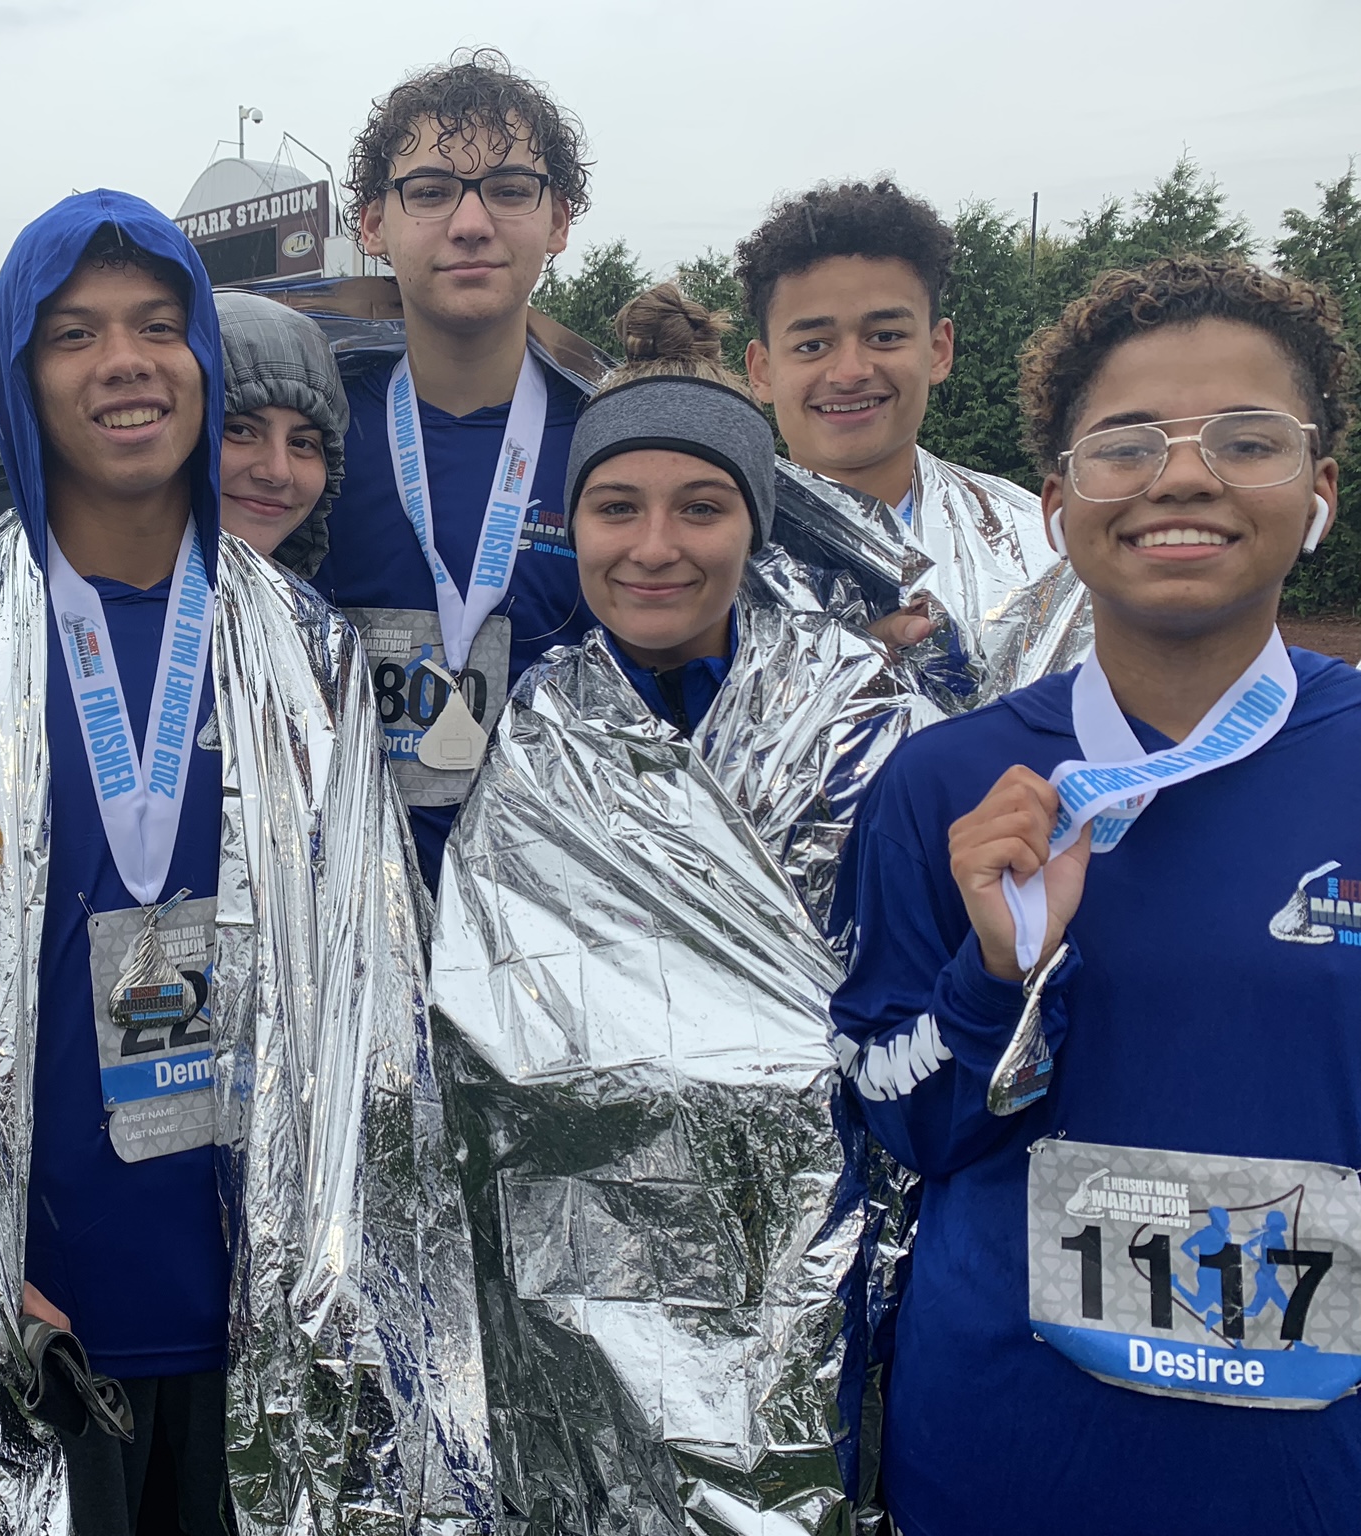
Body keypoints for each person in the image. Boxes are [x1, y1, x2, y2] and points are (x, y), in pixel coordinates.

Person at [0, 190, 487, 1536]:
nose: (125, 360)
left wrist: (340, 1264)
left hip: (262, 1297)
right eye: (74, 333)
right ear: (19, 374)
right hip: (39, 1312)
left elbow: (366, 999)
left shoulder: (304, 648)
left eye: (160, 327)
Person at [830, 255, 1355, 1533]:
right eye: (1126, 445)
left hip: (1305, 1477)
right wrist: (993, 977)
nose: (1182, 476)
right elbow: (899, 1124)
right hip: (1008, 1457)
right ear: (1061, 505)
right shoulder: (946, 783)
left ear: (1318, 491)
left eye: (1245, 439)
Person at [429, 289, 932, 1533]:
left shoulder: (866, 722)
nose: (654, 546)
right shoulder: (535, 724)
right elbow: (482, 1018)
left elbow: (906, 1013)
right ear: (574, 527)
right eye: (616, 508)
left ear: (752, 527)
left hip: (796, 1259)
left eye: (699, 508)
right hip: (572, 1260)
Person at [312, 49, 596, 887]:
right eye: (431, 191)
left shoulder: (617, 446)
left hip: (556, 930)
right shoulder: (295, 442)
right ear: (372, 224)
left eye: (509, 189)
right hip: (341, 922)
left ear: (558, 221)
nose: (470, 223)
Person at [737, 179, 1088, 706]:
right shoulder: (706, 560)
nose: (851, 371)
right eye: (812, 344)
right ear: (761, 371)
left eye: (885, 337)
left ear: (939, 349)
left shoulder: (1047, 553)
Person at [214, 290, 346, 578]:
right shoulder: (97, 613)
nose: (277, 472)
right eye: (240, 431)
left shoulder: (315, 619)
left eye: (302, 443)